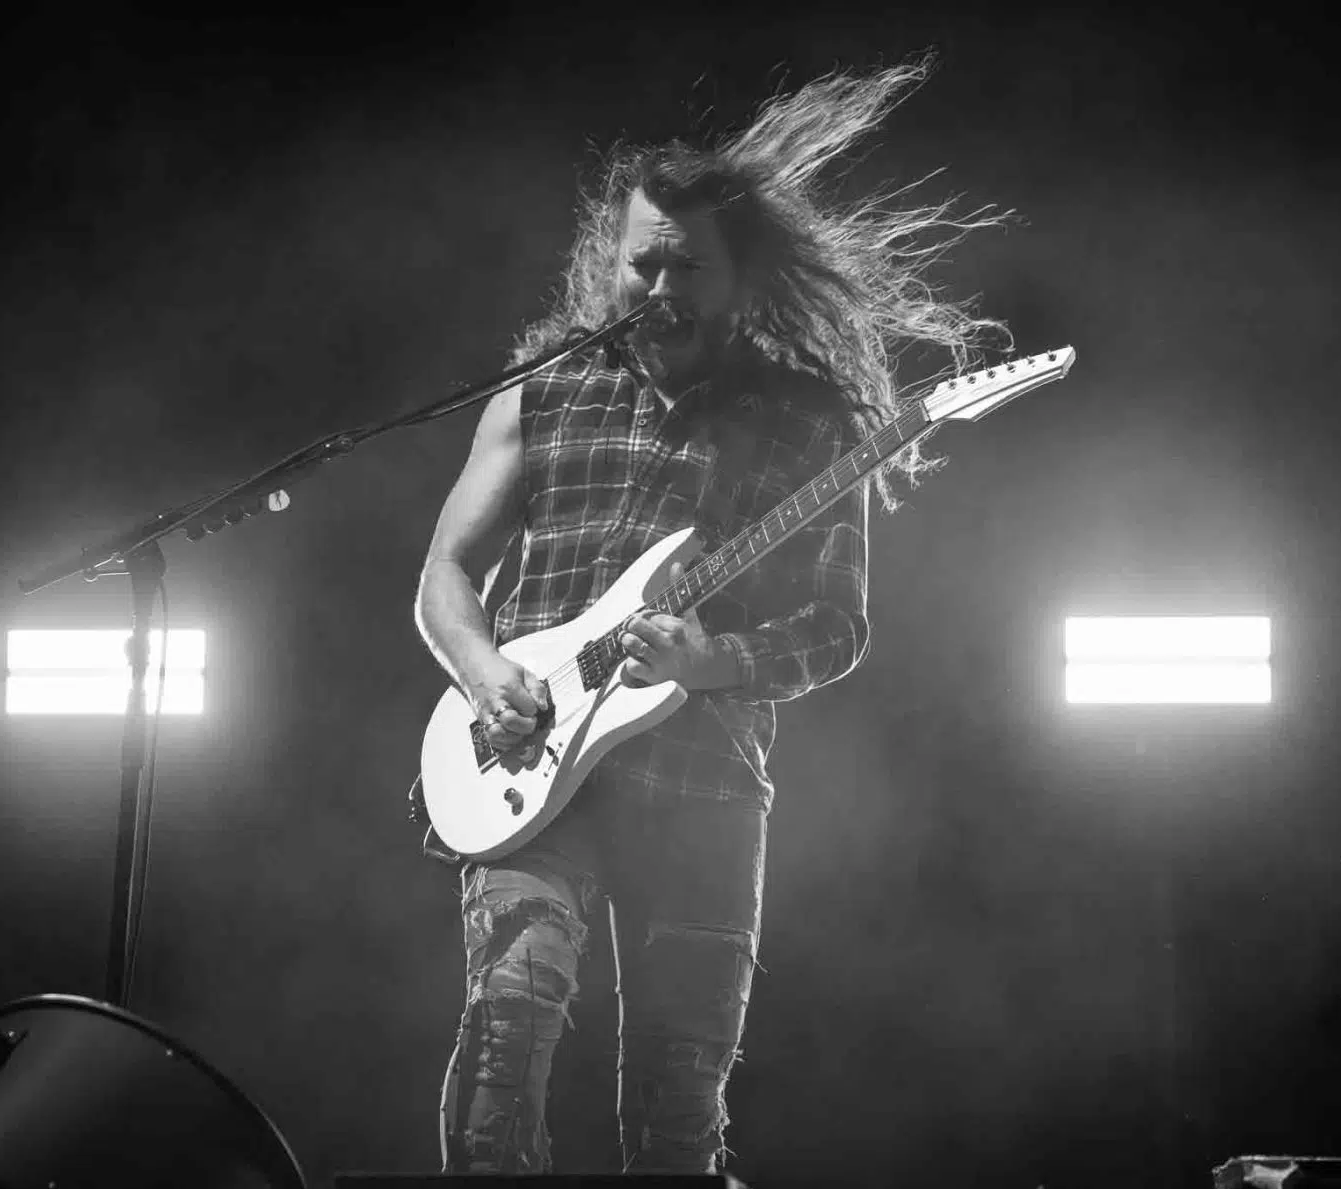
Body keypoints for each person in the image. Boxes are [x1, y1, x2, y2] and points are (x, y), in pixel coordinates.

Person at [413, 55, 1013, 1174]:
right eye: (643, 262)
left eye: (689, 267)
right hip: (529, 759)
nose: (660, 289)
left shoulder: (811, 420)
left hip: (705, 782)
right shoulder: (541, 388)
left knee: (678, 1099)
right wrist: (488, 677)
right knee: (508, 1027)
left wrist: (712, 660)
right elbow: (446, 571)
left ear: (742, 278)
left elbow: (836, 629)